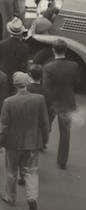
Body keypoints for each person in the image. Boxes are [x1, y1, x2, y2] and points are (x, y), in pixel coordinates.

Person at [0, 71, 50, 210]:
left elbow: (4, 126)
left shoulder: (8, 102)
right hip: (32, 143)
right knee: (31, 172)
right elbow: (45, 123)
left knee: (11, 171)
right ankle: (32, 199)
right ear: (27, 83)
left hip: (13, 144)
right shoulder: (39, 99)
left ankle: (10, 197)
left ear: (15, 85)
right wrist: (44, 140)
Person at [42, 39, 80, 169]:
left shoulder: (48, 67)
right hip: (67, 101)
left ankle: (42, 143)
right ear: (66, 50)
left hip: (53, 101)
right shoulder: (74, 65)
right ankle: (62, 161)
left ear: (53, 50)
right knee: (65, 133)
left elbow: (46, 88)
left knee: (46, 124)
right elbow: (77, 83)